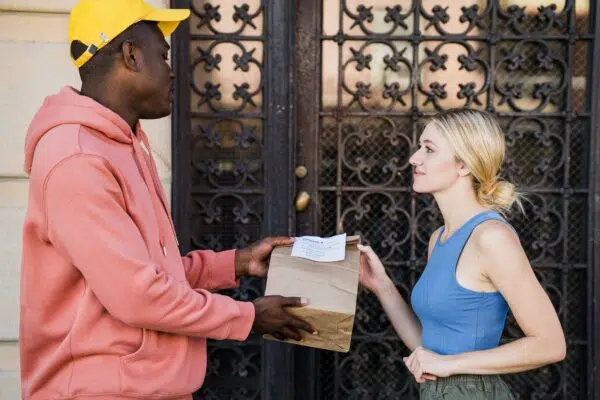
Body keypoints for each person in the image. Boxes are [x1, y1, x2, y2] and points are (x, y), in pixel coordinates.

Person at [19, 1, 315, 399]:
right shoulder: (78, 158)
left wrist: (238, 263)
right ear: (130, 55)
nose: (173, 71)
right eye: (163, 55)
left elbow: (151, 274)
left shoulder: (120, 146)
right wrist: (249, 316)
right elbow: (137, 295)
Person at [357, 109, 566, 399]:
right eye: (420, 147)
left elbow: (551, 344)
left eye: (428, 149)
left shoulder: (492, 238)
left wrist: (450, 364)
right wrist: (381, 285)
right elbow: (428, 347)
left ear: (464, 165)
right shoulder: (438, 239)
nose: (414, 158)